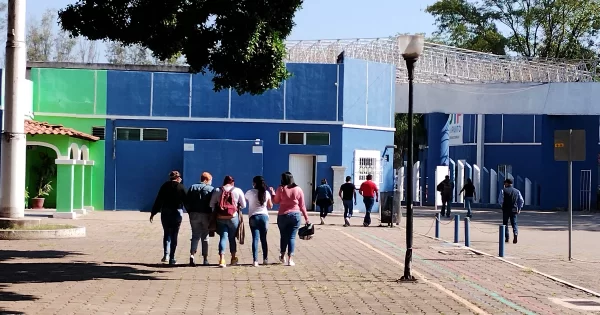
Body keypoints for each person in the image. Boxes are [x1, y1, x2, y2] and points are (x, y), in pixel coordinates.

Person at [269, 172, 310, 266]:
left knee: (283, 236)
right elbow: (302, 205)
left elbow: (276, 201)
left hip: (282, 215)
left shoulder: (281, 189)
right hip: (295, 215)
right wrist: (307, 218)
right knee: (292, 237)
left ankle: (282, 255)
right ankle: (290, 259)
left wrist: (272, 193)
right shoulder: (298, 189)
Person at [150, 170, 187, 265]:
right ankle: (172, 257)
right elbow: (187, 201)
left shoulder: (164, 186)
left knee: (167, 233)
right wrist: (191, 213)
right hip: (177, 212)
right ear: (178, 178)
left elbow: (159, 200)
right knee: (174, 234)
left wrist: (153, 212)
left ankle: (166, 255)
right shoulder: (181, 187)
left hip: (165, 212)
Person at [210, 175, 246, 267]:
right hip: (233, 217)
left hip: (220, 217)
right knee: (232, 238)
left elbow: (211, 204)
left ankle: (222, 259)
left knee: (223, 237)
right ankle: (233, 258)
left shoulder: (218, 190)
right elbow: (244, 205)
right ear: (232, 182)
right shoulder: (237, 190)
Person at [185, 172, 214, 266]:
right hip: (206, 215)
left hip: (194, 214)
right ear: (206, 180)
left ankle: (192, 255)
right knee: (205, 236)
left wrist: (190, 212)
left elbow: (187, 201)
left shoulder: (192, 187)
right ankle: (205, 259)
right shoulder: (211, 189)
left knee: (195, 235)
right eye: (210, 180)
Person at [245, 176, 273, 267]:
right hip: (264, 217)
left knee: (255, 239)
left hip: (253, 216)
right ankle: (265, 259)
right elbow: (270, 206)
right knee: (263, 239)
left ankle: (255, 261)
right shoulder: (266, 193)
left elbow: (244, 203)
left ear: (254, 183)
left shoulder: (250, 192)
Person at [498, 178, 524, 244]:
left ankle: (507, 238)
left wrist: (502, 206)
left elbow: (500, 200)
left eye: (505, 183)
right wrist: (519, 208)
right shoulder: (517, 191)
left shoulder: (503, 190)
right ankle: (515, 233)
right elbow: (521, 201)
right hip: (514, 209)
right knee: (514, 223)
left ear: (507, 183)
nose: (504, 184)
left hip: (506, 209)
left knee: (505, 224)